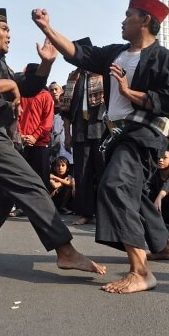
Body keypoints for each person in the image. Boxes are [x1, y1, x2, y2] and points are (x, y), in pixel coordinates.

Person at [33, 0, 169, 293]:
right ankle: (165, 245)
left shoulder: (165, 58)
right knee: (134, 193)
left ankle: (141, 272)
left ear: (145, 20)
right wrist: (47, 28)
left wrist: (131, 93)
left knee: (115, 187)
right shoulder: (116, 53)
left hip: (144, 134)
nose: (122, 20)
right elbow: (79, 53)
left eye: (128, 15)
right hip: (118, 134)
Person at [0, 7, 105, 277]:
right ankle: (66, 252)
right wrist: (10, 87)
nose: (9, 34)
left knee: (2, 195)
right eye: (4, 29)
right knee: (32, 185)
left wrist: (46, 63)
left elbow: (29, 86)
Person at [60, 49, 106, 225]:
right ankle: (86, 213)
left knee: (103, 171)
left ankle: (105, 213)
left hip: (100, 128)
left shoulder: (102, 73)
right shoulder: (73, 76)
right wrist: (67, 134)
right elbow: (65, 110)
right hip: (79, 130)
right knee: (82, 173)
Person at [19, 85, 54, 190]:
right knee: (22, 181)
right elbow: (16, 117)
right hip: (22, 144)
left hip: (40, 145)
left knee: (41, 183)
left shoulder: (46, 96)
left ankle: (43, 207)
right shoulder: (20, 96)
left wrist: (34, 136)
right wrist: (21, 136)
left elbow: (47, 122)